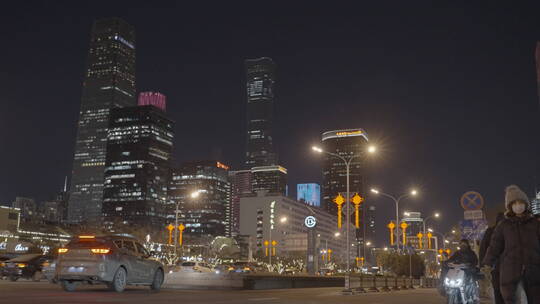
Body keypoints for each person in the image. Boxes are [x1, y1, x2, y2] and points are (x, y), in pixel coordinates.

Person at [483, 185, 540, 304]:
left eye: (520, 202)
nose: (518, 206)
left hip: (534, 269)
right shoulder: (504, 225)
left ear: (526, 204)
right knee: (513, 299)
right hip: (510, 271)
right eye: (514, 203)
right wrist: (487, 263)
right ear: (510, 206)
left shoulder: (535, 223)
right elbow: (495, 245)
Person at [479, 212, 505, 304]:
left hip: (504, 265)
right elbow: (484, 248)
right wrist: (483, 264)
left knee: (500, 290)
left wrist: (482, 263)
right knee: (498, 290)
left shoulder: (510, 230)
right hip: (496, 266)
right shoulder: (490, 231)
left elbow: (483, 249)